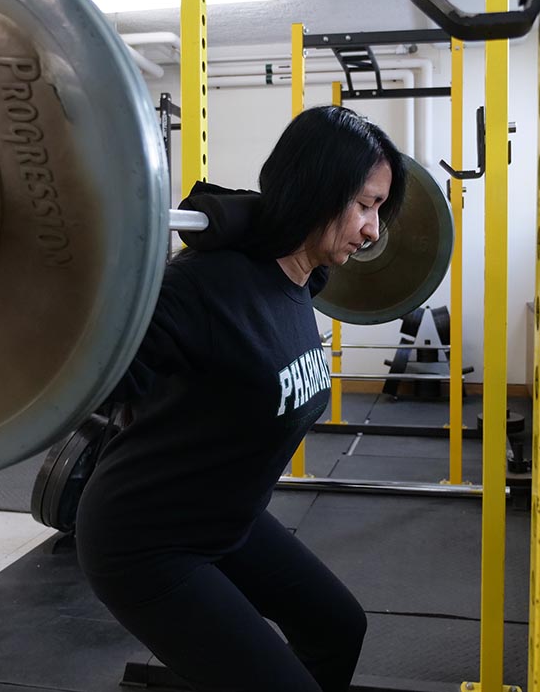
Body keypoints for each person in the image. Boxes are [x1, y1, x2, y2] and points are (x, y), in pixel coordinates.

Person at [75, 105, 407, 692]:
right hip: (146, 541)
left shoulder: (305, 276)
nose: (372, 230)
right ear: (315, 189)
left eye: (378, 208)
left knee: (339, 628)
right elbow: (84, 381)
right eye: (364, 204)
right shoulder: (199, 289)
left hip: (229, 518)